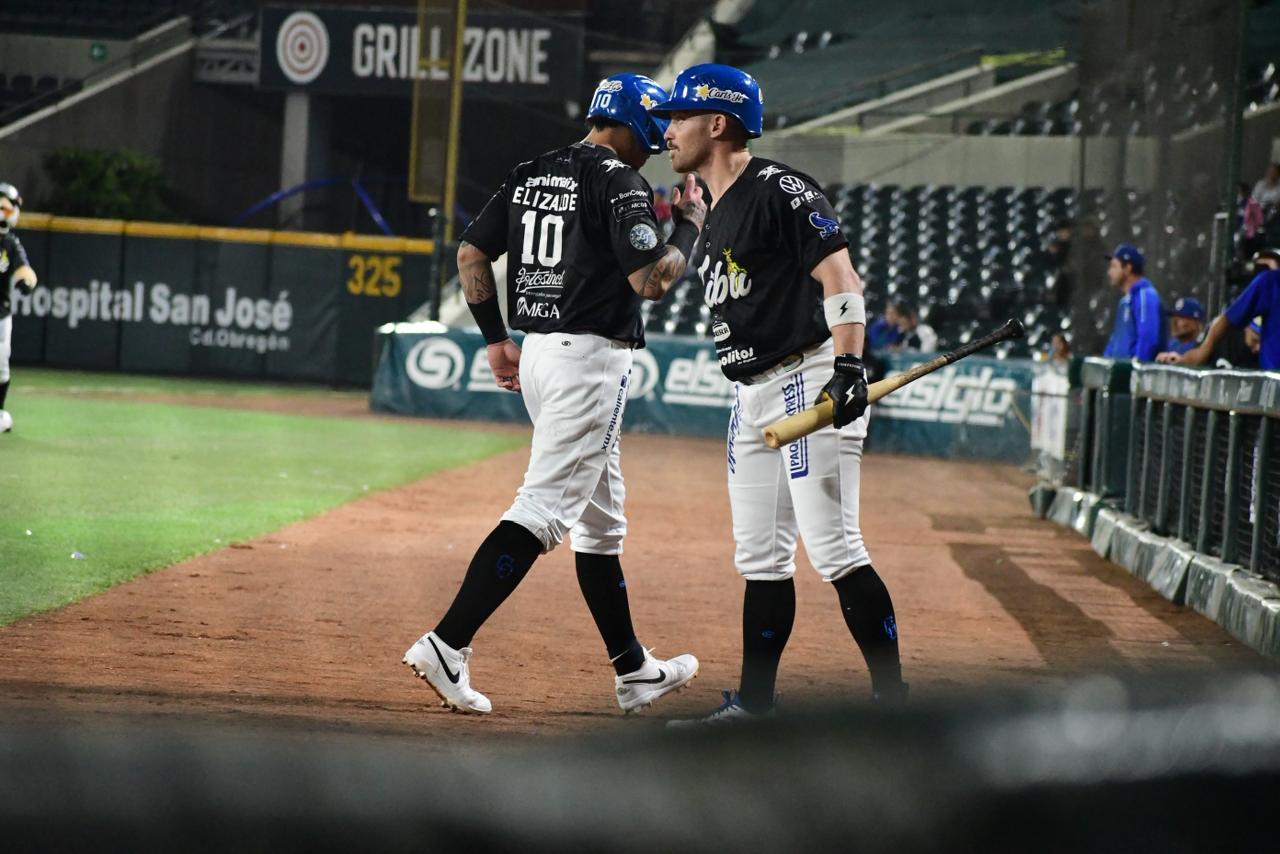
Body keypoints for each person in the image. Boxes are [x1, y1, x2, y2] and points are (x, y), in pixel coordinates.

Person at [401, 74, 708, 715]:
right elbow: (652, 281)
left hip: (540, 352)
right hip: (588, 361)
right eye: (654, 129)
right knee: (541, 511)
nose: (657, 143)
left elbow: (470, 255)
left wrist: (495, 340)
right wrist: (687, 227)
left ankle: (633, 669)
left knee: (601, 523)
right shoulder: (619, 180)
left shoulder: (533, 170)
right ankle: (447, 644)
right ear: (634, 122)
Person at [650, 63, 907, 725]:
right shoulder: (715, 208)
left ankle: (894, 706)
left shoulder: (780, 189)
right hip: (751, 396)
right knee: (760, 559)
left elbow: (841, 276)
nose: (668, 130)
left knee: (836, 549)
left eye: (678, 116)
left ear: (718, 122)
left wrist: (848, 367)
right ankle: (755, 709)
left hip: (807, 380)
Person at [1158, 263, 1280, 371]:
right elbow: (1226, 319)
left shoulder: (1248, 354)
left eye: (1184, 318)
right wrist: (1188, 357)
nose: (1177, 323)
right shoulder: (1271, 281)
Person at [0, 182, 38, 434]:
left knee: (0, 364)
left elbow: (26, 270)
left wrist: (27, 282)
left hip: (0, 314)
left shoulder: (10, 243)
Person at [1101, 243, 1164, 362]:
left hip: (1134, 372)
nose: (1109, 272)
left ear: (1127, 268)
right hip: (1120, 371)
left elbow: (1147, 338)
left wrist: (1135, 367)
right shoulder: (1124, 302)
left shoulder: (1145, 296)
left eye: (1114, 266)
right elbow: (1115, 340)